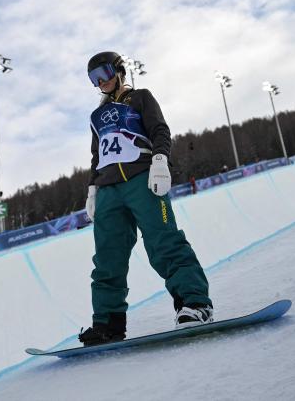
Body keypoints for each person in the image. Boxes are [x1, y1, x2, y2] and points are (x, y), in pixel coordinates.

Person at [78, 51, 213, 346]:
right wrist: (92, 188)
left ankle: (195, 303)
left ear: (119, 71)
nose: (101, 82)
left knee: (164, 242)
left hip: (141, 180)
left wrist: (161, 159)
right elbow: (96, 155)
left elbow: (159, 129)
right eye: (93, 79)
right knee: (107, 258)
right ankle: (107, 323)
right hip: (108, 189)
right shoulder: (96, 116)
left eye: (104, 74)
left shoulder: (140, 98)